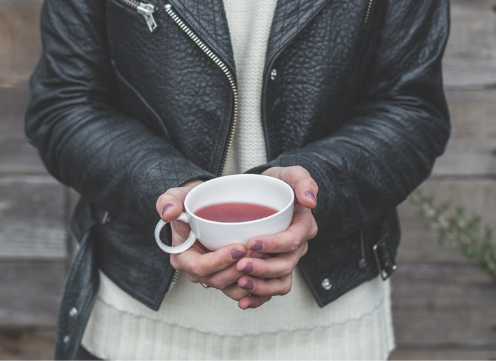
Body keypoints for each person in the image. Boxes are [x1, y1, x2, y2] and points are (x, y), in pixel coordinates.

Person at [24, 0, 450, 359]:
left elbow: (412, 111)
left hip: (334, 329)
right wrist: (170, 189)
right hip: (132, 325)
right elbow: (64, 104)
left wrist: (316, 184)